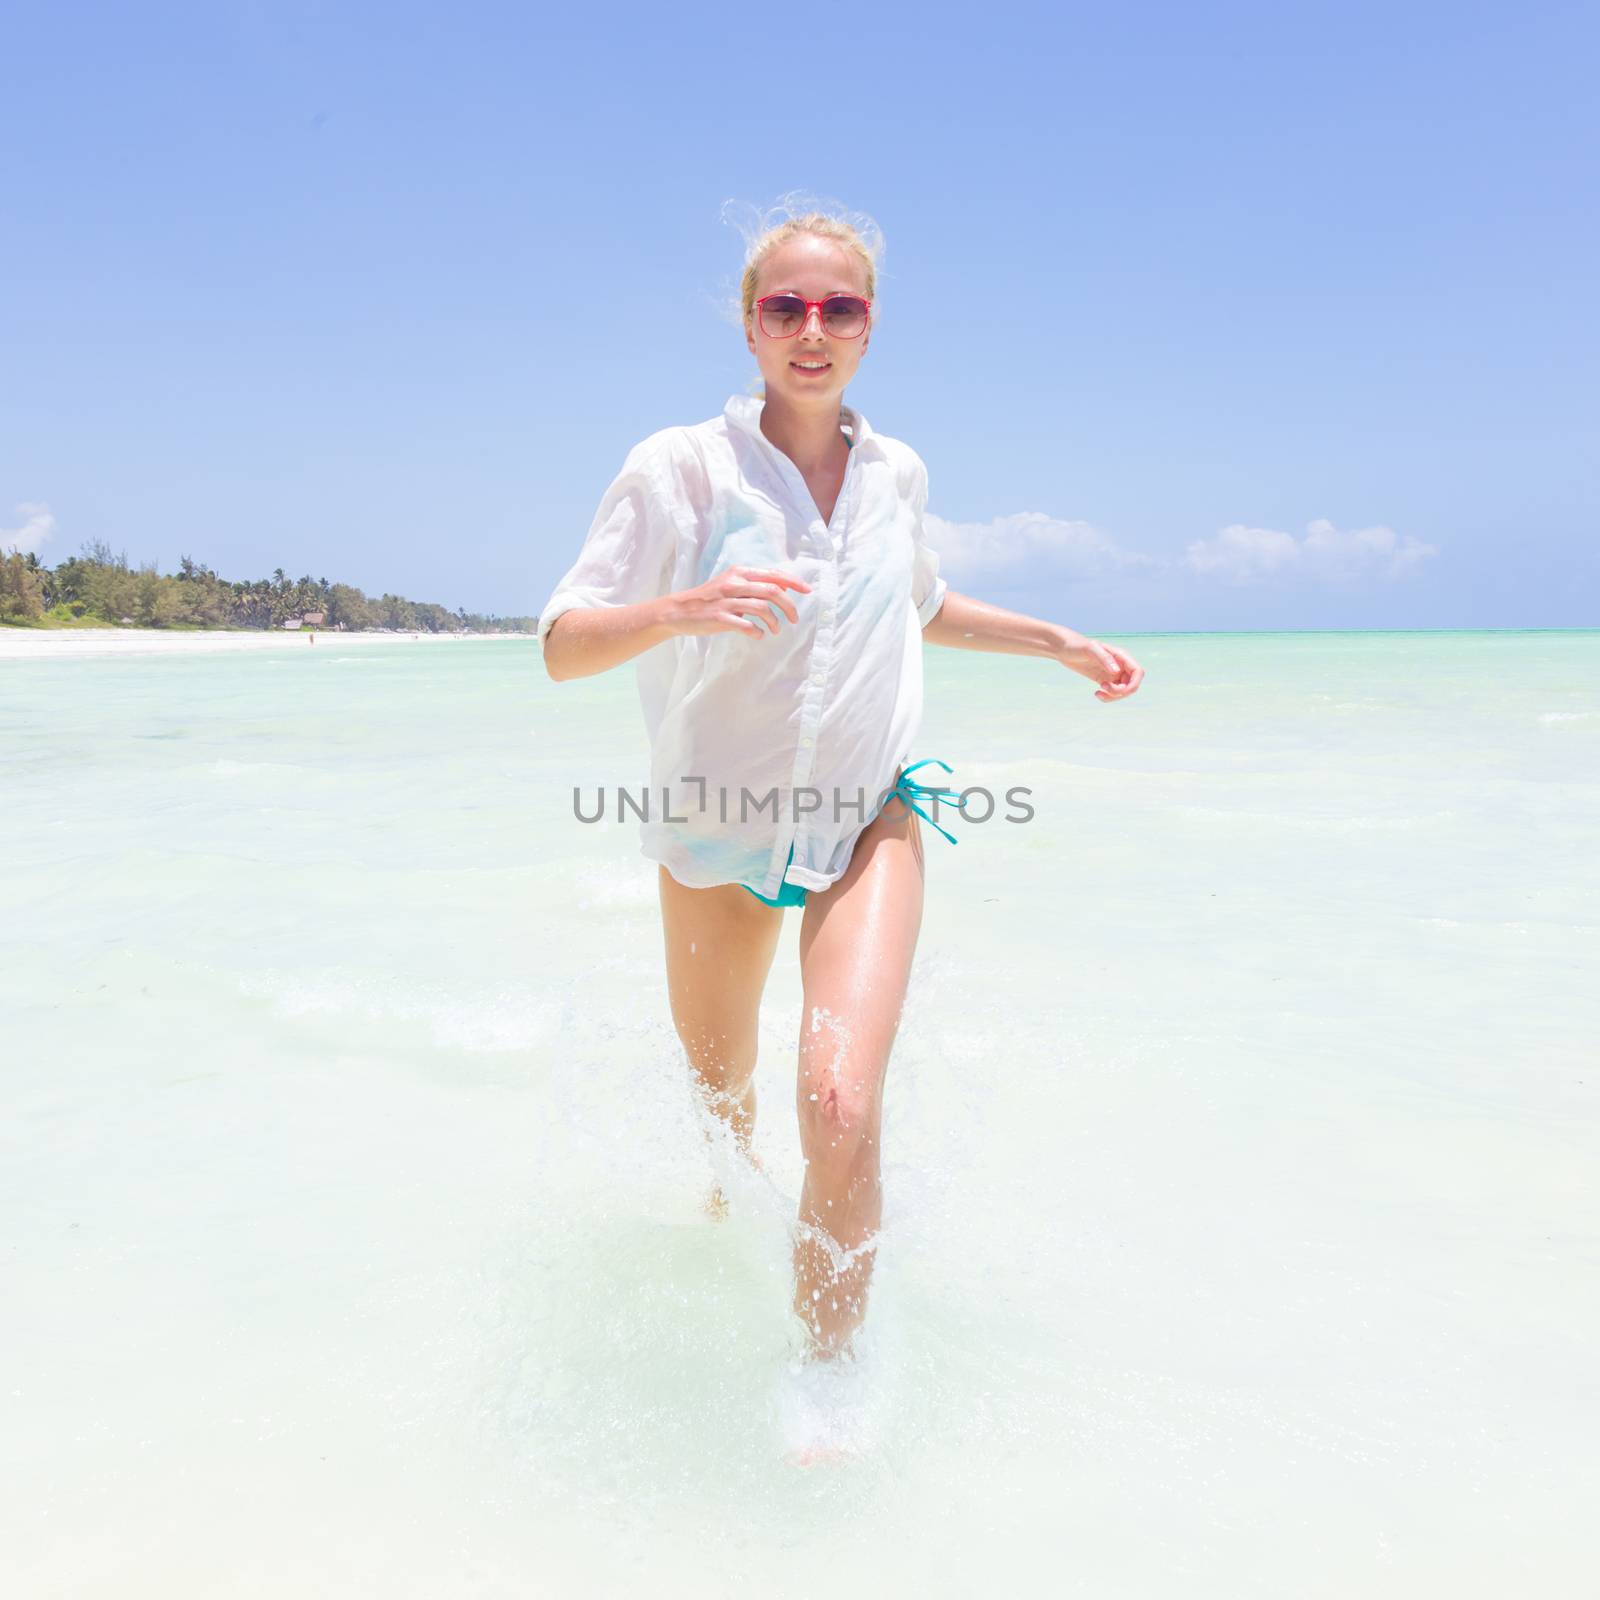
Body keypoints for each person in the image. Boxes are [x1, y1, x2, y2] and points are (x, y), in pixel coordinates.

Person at [537, 203, 1143, 1365]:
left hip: (867, 814)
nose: (812, 328)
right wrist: (676, 609)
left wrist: (1056, 639)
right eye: (785, 307)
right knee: (725, 1115)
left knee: (838, 1100)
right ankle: (726, 1233)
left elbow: (919, 601)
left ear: (869, 327)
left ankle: (829, 1376)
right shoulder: (678, 469)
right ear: (750, 326)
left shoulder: (895, 474)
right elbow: (565, 641)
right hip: (713, 827)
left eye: (839, 307)